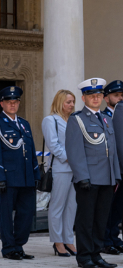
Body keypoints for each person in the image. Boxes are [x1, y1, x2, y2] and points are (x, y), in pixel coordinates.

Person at [65, 78, 119, 268]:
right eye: (91, 96)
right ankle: (84, 256)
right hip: (88, 178)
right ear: (84, 98)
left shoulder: (106, 119)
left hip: (106, 177)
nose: (96, 99)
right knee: (86, 219)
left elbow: (111, 150)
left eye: (98, 95)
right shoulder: (77, 119)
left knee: (101, 219)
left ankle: (96, 254)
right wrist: (82, 177)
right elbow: (74, 151)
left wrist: (116, 175)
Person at [0, 86, 39, 260]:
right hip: (8, 177)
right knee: (7, 214)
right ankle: (9, 248)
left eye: (15, 101)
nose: (13, 104)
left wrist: (36, 174)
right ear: (2, 103)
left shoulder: (24, 124)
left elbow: (31, 151)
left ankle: (19, 245)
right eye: (9, 102)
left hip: (26, 177)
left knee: (26, 213)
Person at [42, 90, 78, 257]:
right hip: (61, 167)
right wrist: (71, 158)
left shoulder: (75, 119)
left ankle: (69, 240)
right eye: (68, 102)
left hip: (76, 169)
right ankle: (57, 241)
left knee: (72, 207)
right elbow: (53, 145)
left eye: (73, 102)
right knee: (58, 206)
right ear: (59, 102)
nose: (71, 105)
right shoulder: (50, 120)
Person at [102, 80, 123, 254]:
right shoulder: (103, 117)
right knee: (107, 206)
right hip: (109, 168)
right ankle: (105, 240)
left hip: (122, 168)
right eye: (116, 95)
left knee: (118, 207)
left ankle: (114, 237)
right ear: (106, 98)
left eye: (122, 95)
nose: (120, 98)